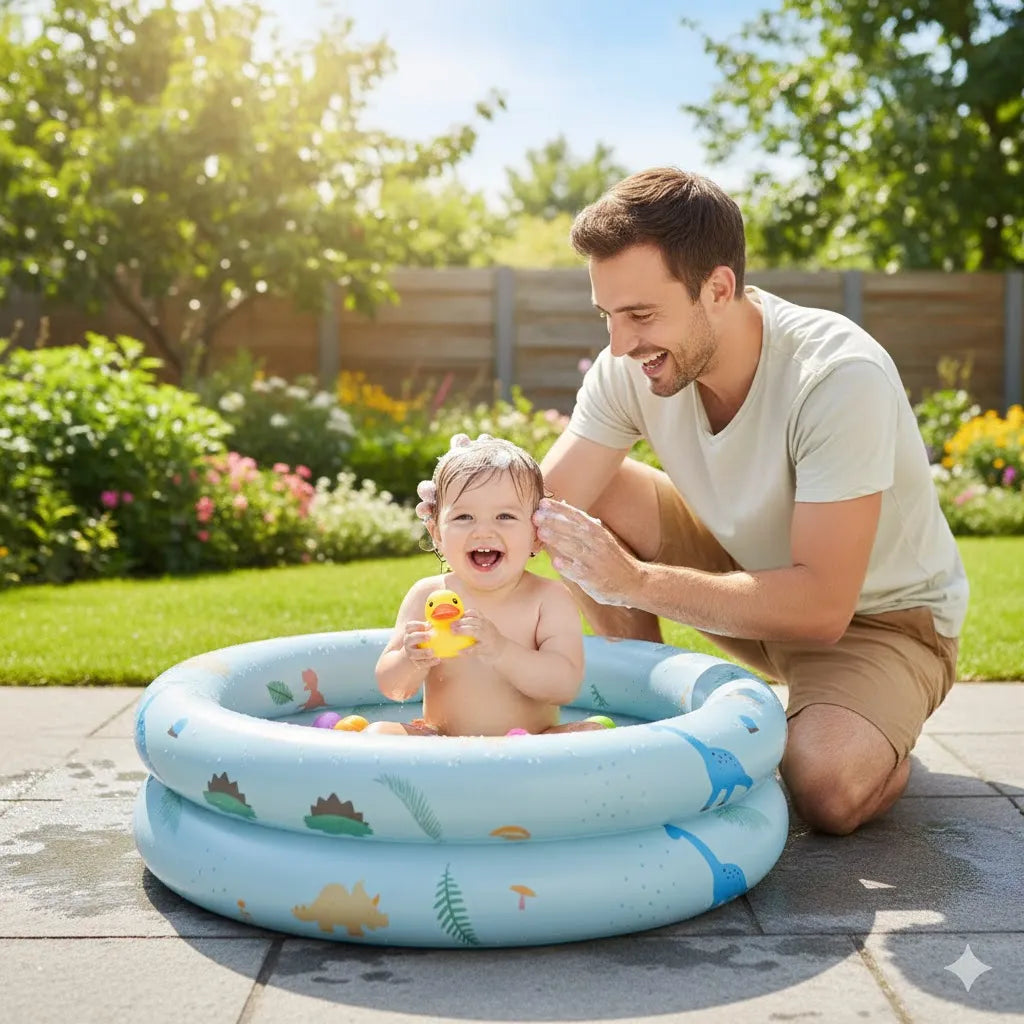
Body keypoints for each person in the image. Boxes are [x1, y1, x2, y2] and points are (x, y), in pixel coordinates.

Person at [418, 168, 967, 835]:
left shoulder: (836, 378)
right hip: (740, 573)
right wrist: (469, 504)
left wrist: (634, 581)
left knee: (826, 786)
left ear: (719, 289)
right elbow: (543, 512)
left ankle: (878, 735)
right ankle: (646, 712)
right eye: (608, 316)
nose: (620, 345)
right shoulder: (633, 366)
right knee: (564, 516)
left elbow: (824, 609)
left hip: (876, 621)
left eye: (641, 315)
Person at [373, 435, 601, 737]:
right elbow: (393, 688)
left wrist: (501, 650)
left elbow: (564, 686)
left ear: (536, 534)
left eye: (505, 516)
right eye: (464, 516)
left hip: (532, 747)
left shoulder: (548, 599)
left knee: (590, 734)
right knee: (377, 734)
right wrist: (410, 659)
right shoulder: (427, 596)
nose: (483, 531)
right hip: (441, 746)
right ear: (436, 533)